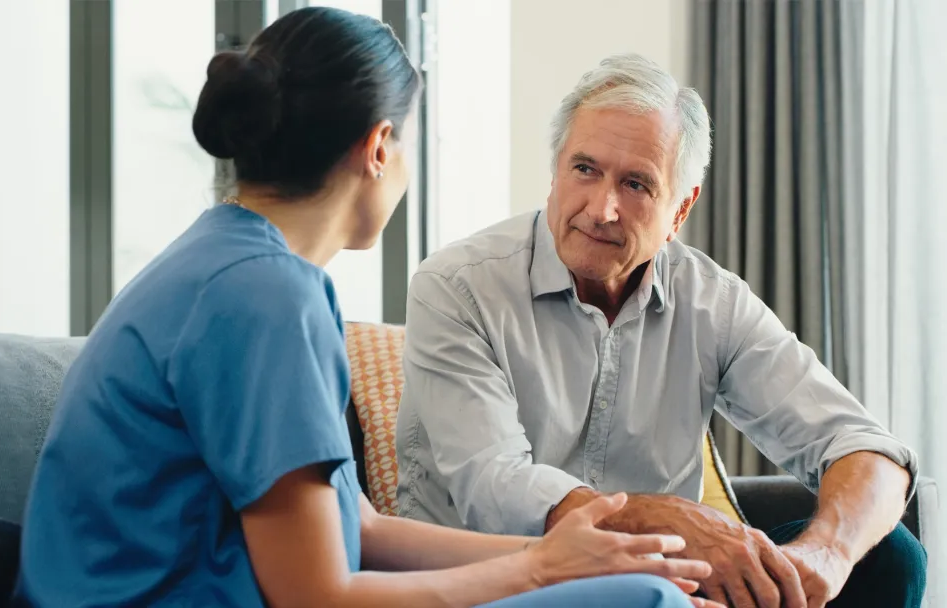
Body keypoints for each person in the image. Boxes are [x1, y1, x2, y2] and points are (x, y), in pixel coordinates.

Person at [12, 10, 723, 608]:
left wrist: (570, 554)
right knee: (648, 601)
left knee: (629, 585)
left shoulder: (233, 262)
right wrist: (541, 571)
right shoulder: (266, 293)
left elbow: (360, 530)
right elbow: (316, 594)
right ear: (380, 147)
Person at [395, 53, 927, 608]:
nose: (602, 209)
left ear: (680, 210)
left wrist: (826, 554)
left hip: (663, 586)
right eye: (584, 169)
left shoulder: (712, 302)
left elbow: (867, 448)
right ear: (554, 173)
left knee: (891, 558)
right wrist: (663, 519)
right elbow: (492, 486)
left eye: (636, 184)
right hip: (497, 580)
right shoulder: (456, 287)